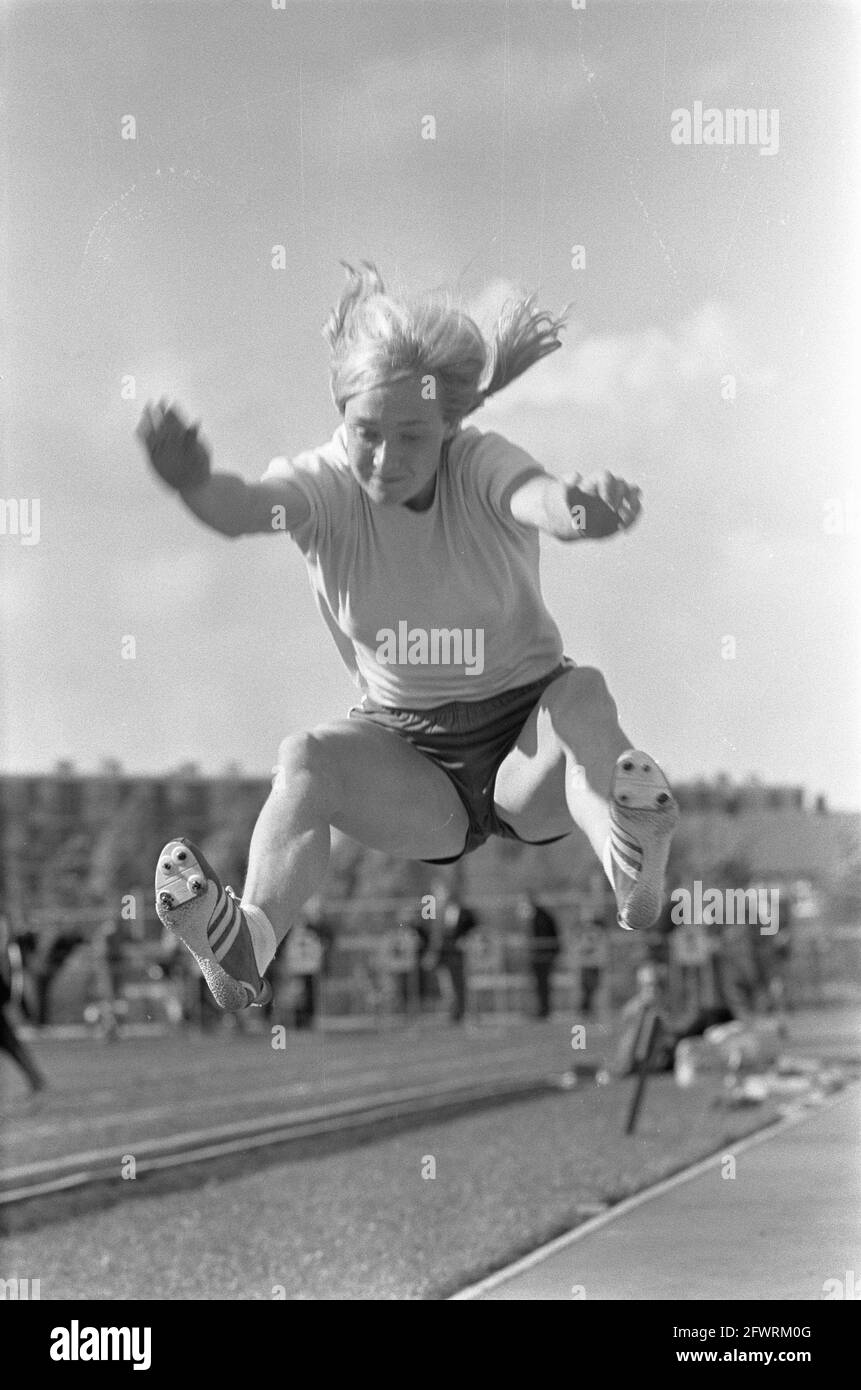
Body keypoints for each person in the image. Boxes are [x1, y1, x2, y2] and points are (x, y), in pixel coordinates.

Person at [136, 262, 679, 1013]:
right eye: (366, 434)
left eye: (411, 437)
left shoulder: (481, 462)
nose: (384, 461)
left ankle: (629, 863)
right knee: (305, 760)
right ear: (341, 416)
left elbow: (542, 501)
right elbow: (242, 509)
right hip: (412, 765)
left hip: (529, 742)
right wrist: (194, 483)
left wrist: (583, 511)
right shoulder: (324, 485)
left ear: (449, 426)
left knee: (581, 694)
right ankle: (248, 943)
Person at [0, 916, 46, 1095]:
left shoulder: (10, 951)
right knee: (13, 1046)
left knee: (13, 1046)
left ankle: (36, 1079)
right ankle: (36, 1079)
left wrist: (12, 1001)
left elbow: (13, 981)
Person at [519, 895, 561, 1019]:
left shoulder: (542, 917)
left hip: (543, 956)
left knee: (543, 984)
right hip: (538, 955)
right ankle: (538, 1009)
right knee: (538, 985)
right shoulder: (537, 916)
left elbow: (546, 936)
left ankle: (544, 1010)